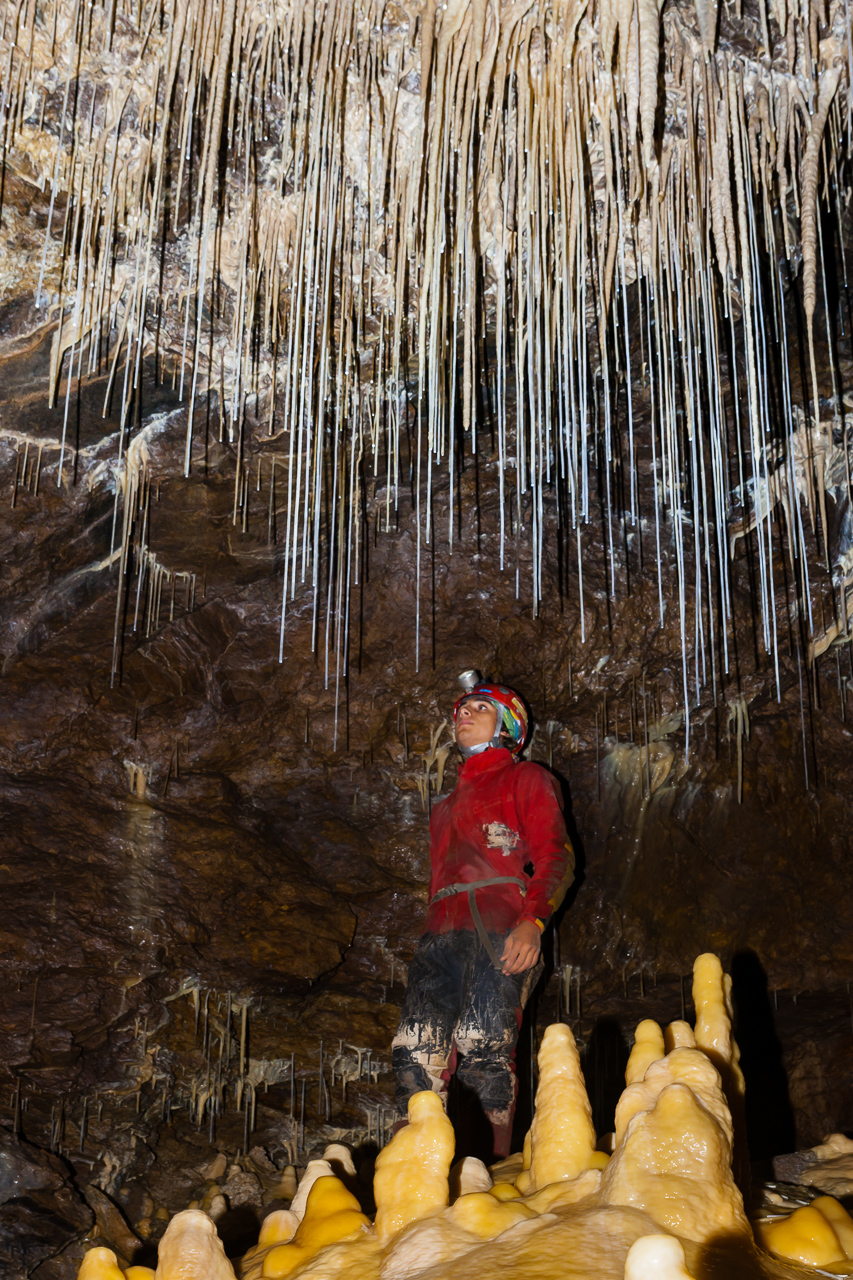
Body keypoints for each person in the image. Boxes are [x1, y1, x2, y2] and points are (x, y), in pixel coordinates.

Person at [391, 674, 575, 1160]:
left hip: (500, 926)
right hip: (439, 935)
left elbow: (556, 857)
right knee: (415, 1050)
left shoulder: (526, 778)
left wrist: (533, 922)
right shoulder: (444, 806)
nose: (463, 714)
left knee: (484, 1048)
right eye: (461, 709)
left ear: (507, 725)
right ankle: (418, 1176)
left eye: (479, 707)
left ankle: (489, 1173)